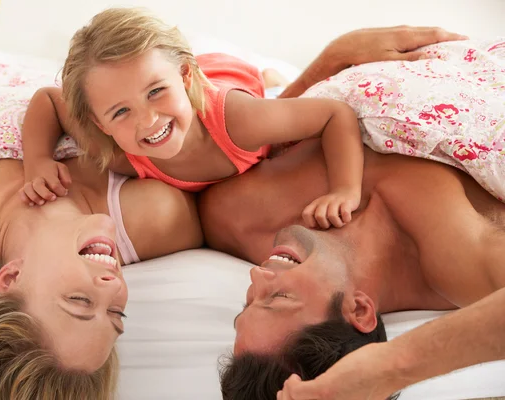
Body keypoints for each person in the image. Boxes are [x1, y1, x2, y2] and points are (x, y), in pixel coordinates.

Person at [0, 0, 201, 398]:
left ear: (11, 278)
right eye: (116, 313)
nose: (112, 286)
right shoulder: (158, 219)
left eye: (79, 301)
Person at [200, 36, 505, 397]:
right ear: (358, 310)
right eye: (278, 297)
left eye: (247, 302)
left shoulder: (238, 215)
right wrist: (389, 368)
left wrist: (331, 60)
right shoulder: (456, 258)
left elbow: (236, 125)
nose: (256, 276)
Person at [21, 7, 365, 229]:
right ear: (100, 124)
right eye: (121, 112)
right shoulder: (120, 155)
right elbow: (49, 100)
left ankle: (269, 76)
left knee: (271, 87)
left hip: (226, 77)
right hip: (182, 75)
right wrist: (36, 160)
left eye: (156, 92)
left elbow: (334, 115)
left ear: (185, 77)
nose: (148, 120)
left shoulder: (241, 121)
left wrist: (346, 189)